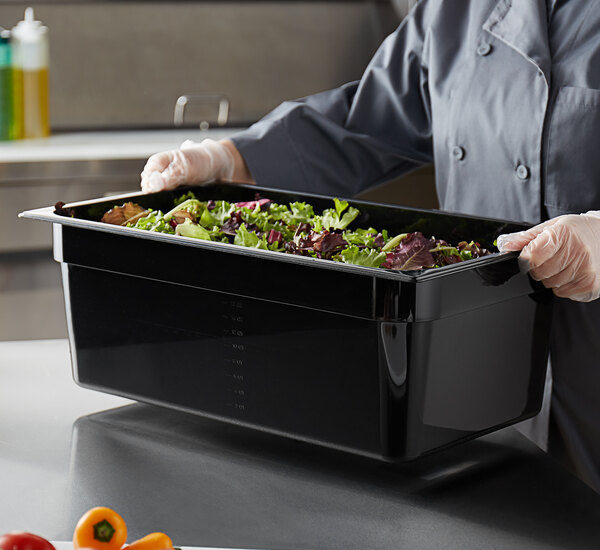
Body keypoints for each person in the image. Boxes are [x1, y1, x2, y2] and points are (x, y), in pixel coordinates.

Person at [141, 0, 600, 491]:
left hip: (590, 363)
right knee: (501, 512)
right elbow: (369, 119)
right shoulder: (458, 9)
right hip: (476, 352)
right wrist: (230, 159)